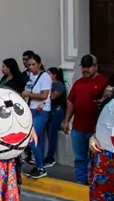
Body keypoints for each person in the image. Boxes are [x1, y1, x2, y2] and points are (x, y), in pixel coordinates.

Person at [62, 55, 108, 184]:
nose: (85, 70)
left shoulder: (103, 82)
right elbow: (71, 102)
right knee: (79, 158)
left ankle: (95, 183)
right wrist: (66, 121)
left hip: (94, 130)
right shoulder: (78, 82)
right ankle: (81, 183)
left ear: (95, 66)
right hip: (78, 128)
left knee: (95, 159)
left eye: (88, 67)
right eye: (83, 67)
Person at [21, 54, 52, 179]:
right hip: (30, 110)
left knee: (32, 138)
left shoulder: (45, 77)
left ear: (39, 64)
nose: (31, 67)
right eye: (29, 65)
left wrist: (28, 94)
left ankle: (40, 167)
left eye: (34, 64)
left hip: (41, 111)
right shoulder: (29, 77)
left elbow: (44, 95)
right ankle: (39, 165)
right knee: (36, 140)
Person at [44, 67, 67, 168]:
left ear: (54, 75)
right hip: (49, 110)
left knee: (52, 131)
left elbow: (53, 96)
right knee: (49, 132)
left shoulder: (59, 85)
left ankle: (50, 157)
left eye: (49, 74)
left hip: (58, 111)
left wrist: (47, 89)